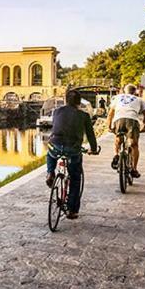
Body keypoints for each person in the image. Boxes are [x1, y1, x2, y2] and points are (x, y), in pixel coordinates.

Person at [45, 89, 99, 219]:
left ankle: (50, 172)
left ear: (65, 100)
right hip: (73, 149)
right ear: (79, 102)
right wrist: (94, 149)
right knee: (75, 178)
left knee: (50, 153)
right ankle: (72, 210)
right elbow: (90, 135)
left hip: (55, 145)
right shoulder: (84, 115)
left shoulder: (56, 111)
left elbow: (56, 127)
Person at [106, 83, 145, 178]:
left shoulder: (117, 97)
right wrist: (144, 127)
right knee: (134, 145)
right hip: (132, 120)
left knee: (118, 138)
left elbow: (110, 114)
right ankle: (134, 169)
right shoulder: (139, 100)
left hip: (119, 119)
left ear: (125, 91)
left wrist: (109, 126)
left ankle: (116, 154)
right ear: (135, 92)